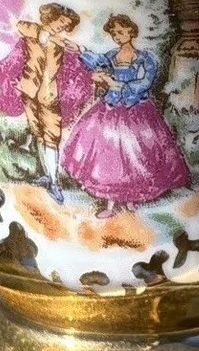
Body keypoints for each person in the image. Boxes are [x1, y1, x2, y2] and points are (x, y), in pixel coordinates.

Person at [60, 14, 191, 218]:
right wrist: (80, 50)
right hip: (110, 107)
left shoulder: (145, 58)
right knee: (109, 155)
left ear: (131, 32)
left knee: (135, 154)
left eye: (121, 32)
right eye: (114, 33)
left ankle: (131, 198)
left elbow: (144, 83)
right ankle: (111, 204)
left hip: (136, 109)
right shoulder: (112, 55)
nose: (117, 36)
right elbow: (97, 61)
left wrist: (117, 85)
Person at [0, 3, 91, 204]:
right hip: (29, 90)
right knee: (38, 131)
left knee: (52, 135)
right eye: (60, 22)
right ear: (51, 18)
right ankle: (46, 174)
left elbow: (79, 59)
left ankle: (54, 182)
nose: (60, 28)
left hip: (49, 94)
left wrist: (78, 49)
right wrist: (43, 33)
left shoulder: (60, 43)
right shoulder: (34, 33)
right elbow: (19, 25)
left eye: (65, 26)